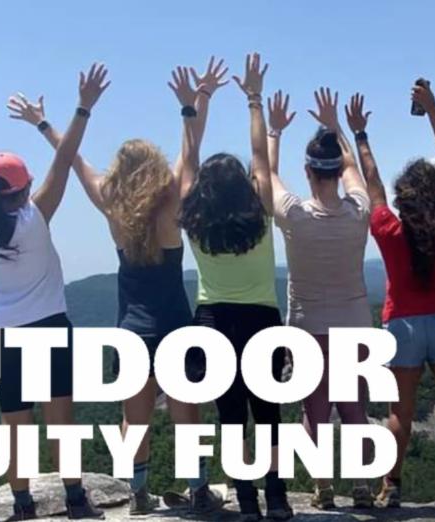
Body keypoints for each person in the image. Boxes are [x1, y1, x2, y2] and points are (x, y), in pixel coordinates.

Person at [3, 59, 230, 517]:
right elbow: (191, 150)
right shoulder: (171, 200)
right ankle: (199, 489)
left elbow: (74, 160)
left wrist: (47, 122)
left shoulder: (111, 202)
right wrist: (196, 102)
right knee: (187, 411)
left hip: (132, 329)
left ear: (120, 173)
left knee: (134, 417)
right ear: (155, 168)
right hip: (174, 324)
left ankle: (139, 493)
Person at [0, 63, 109, 520]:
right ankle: (75, 499)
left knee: (16, 424)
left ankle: (24, 504)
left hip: (3, 334)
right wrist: (82, 108)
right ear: (26, 188)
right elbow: (64, 159)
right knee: (60, 419)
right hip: (49, 325)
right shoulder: (36, 217)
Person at [177, 52, 292, 521]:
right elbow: (260, 156)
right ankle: (277, 499)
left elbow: (188, 159)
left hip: (213, 320)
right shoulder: (259, 209)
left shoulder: (192, 214)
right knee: (268, 416)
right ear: (244, 184)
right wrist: (253, 98)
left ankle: (246, 502)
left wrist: (193, 105)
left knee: (230, 419)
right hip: (262, 319)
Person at [264, 86, 375, 509]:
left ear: (308, 171)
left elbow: (265, 174)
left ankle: (324, 487)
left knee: (315, 411)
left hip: (309, 327)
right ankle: (362, 486)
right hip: (356, 325)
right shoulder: (359, 212)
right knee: (355, 409)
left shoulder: (294, 215)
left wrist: (274, 130)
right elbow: (353, 173)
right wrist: (336, 126)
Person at [368, 82, 435, 506]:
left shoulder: (389, 231)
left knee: (400, 413)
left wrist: (358, 135)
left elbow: (373, 184)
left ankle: (391, 486)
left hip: (402, 325)